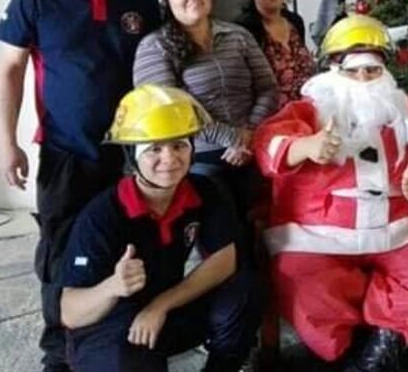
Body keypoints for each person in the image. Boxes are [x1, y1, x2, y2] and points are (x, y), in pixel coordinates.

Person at [0, 0, 161, 371]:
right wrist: (7, 143)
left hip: (133, 154)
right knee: (60, 252)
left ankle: (119, 335)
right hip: (66, 151)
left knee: (130, 243)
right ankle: (57, 350)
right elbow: (10, 69)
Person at [251, 15, 408, 370]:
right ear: (331, 71)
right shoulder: (308, 111)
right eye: (352, 71)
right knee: (304, 281)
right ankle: (344, 353)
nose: (362, 80)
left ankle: (381, 347)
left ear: (385, 72)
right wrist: (305, 146)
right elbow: (266, 143)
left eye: (371, 71)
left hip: (399, 228)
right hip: (321, 235)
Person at [59, 85, 261, 372]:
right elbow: (70, 313)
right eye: (154, 148)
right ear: (132, 156)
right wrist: (113, 287)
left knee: (245, 290)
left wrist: (161, 305)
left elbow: (224, 262)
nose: (169, 159)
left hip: (163, 312)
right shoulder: (101, 217)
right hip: (109, 329)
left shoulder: (203, 191)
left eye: (179, 145)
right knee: (132, 362)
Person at [133, 0, 278, 219]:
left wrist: (249, 133)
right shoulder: (154, 47)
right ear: (166, 0)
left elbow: (268, 87)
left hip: (252, 146)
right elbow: (169, 112)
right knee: (225, 233)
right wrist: (231, 138)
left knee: (261, 226)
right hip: (198, 158)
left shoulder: (238, 35)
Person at [233, 0, 316, 107]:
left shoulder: (295, 21)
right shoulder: (243, 29)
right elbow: (242, 85)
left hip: (305, 109)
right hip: (268, 117)